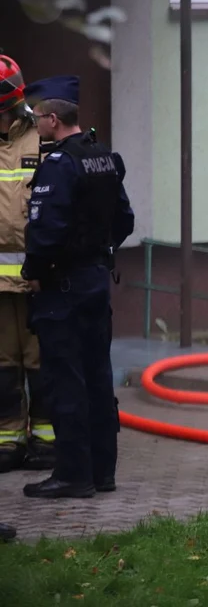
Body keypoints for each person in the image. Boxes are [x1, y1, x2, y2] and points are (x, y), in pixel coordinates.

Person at [20, 75, 135, 499]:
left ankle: (72, 475)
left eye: (36, 117)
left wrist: (34, 270)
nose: (34, 123)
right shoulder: (101, 156)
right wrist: (98, 251)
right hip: (94, 282)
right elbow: (125, 219)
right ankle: (103, 472)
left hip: (61, 288)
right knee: (98, 378)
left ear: (52, 118)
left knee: (65, 380)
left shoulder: (58, 165)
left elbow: (45, 231)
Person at [0, 55, 54, 473]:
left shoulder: (41, 139)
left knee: (40, 362)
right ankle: (9, 439)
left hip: (38, 280)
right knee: (3, 365)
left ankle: (46, 438)